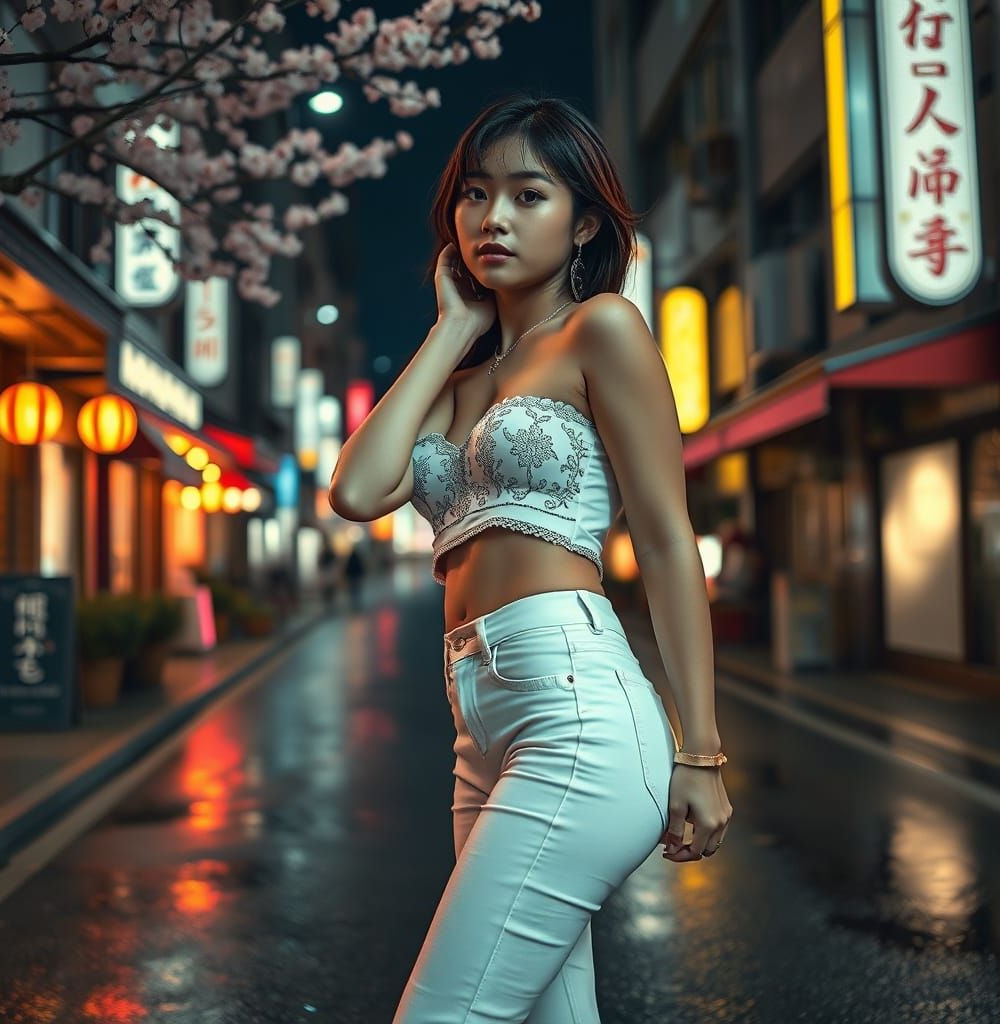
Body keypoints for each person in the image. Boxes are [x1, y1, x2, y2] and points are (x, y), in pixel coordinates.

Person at [329, 93, 732, 1023]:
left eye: (528, 195)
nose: (493, 219)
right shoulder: (457, 378)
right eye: (474, 196)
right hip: (481, 727)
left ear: (584, 218)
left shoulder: (602, 331)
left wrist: (701, 752)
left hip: (579, 710)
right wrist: (451, 332)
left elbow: (667, 541)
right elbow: (357, 492)